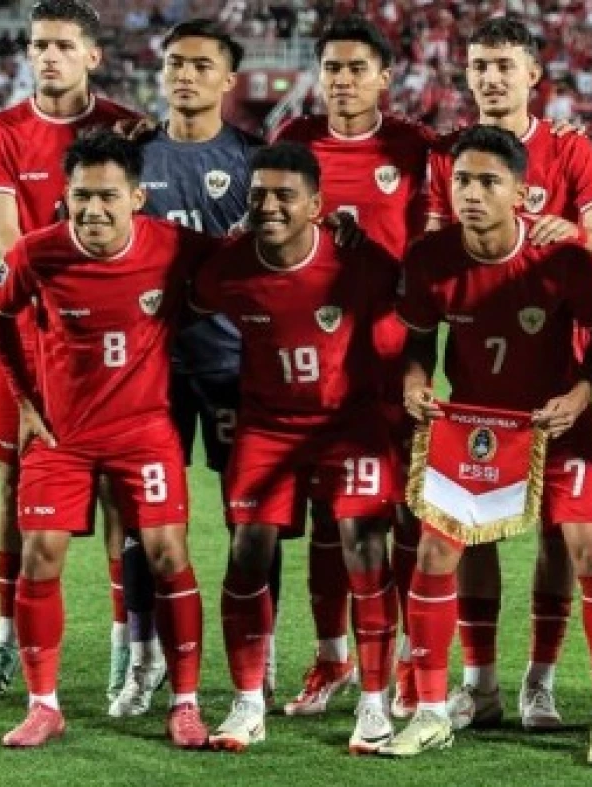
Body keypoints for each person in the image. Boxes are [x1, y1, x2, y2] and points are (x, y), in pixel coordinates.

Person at [379, 125, 592, 765]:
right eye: (463, 180)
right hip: (475, 429)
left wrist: (578, 399)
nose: (473, 193)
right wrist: (414, 385)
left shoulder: (562, 259)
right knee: (438, 550)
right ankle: (445, 705)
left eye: (490, 181)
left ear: (522, 191)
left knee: (587, 546)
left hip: (554, 425)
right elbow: (416, 346)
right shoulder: (430, 257)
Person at [423, 16, 592, 733]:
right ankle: (479, 684)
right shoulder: (447, 154)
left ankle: (540, 680)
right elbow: (435, 254)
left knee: (558, 537)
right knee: (471, 534)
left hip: (555, 380)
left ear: (533, 73)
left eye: (504, 65)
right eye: (479, 65)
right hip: (476, 386)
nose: (490, 77)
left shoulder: (570, 149)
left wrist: (572, 232)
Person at [0, 130, 215, 749]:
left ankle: (186, 703)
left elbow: (242, 264)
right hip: (63, 435)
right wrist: (25, 397)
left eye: (108, 196)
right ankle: (43, 704)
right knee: (41, 555)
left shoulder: (175, 246)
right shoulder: (38, 253)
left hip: (144, 432)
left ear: (136, 197)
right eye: (81, 196)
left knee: (168, 553)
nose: (94, 210)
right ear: (66, 195)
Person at [195, 142, 403, 754]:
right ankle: (246, 703)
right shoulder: (228, 265)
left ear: (317, 204)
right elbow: (187, 303)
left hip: (351, 424)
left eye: (285, 195)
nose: (268, 205)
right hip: (267, 426)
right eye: (258, 193)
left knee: (364, 546)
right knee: (247, 551)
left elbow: (414, 319)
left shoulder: (360, 263)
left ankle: (373, 703)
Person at [0, 0, 141, 705]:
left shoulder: (126, 127)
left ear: (92, 56)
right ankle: (8, 638)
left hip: (107, 344)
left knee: (117, 492)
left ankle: (127, 647)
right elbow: (9, 242)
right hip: (31, 337)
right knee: (12, 485)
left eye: (63, 46)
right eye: (39, 45)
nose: (47, 57)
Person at [270, 14, 431, 719]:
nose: (341, 80)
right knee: (328, 515)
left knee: (402, 515)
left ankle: (407, 659)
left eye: (355, 69)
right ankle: (333, 653)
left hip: (392, 360)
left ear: (384, 78)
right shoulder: (294, 142)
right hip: (310, 366)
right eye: (331, 68)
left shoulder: (415, 149)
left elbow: (428, 266)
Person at [109, 18, 263, 718]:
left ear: (228, 80)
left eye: (202, 65)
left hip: (235, 367)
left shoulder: (259, 160)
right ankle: (143, 660)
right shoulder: (131, 159)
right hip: (150, 377)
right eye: (175, 62)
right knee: (148, 524)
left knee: (249, 523)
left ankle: (251, 668)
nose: (185, 74)